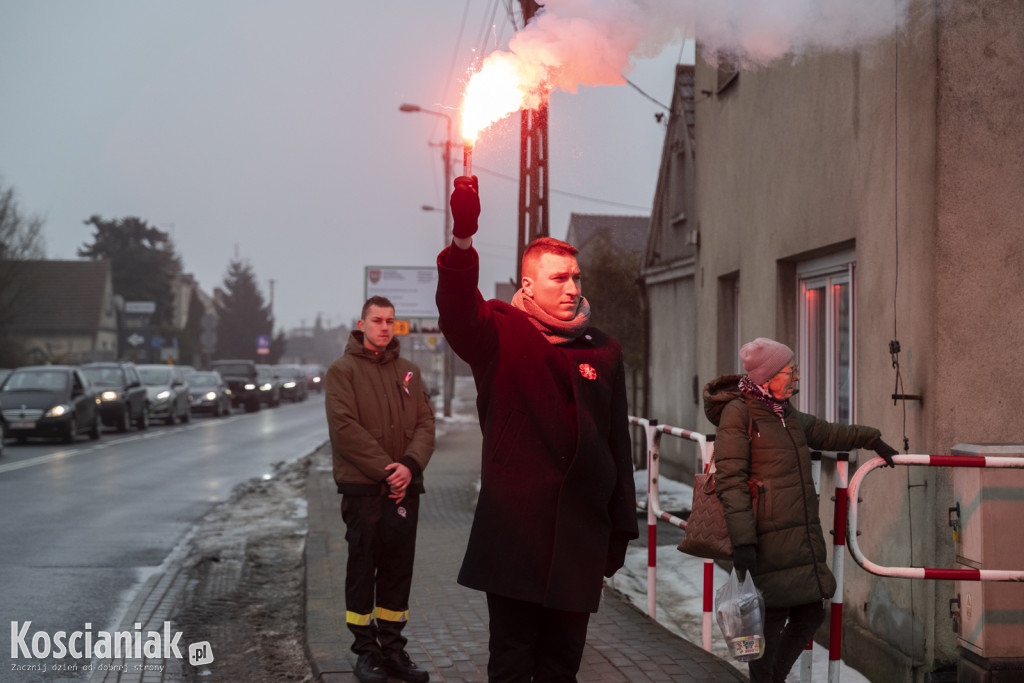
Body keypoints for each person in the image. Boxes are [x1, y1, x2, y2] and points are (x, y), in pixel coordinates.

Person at [436, 176, 639, 682]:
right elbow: (457, 311)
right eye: (558, 279)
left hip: (579, 540)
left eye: (576, 278)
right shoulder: (500, 333)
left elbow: (618, 445)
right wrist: (464, 236)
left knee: (561, 668)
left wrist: (621, 529)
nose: (572, 288)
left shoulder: (603, 350)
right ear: (528, 285)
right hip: (515, 537)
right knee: (510, 663)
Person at [703, 337, 899, 683]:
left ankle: (772, 677)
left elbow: (826, 433)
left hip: (796, 532)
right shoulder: (741, 413)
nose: (796, 379)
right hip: (765, 534)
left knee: (809, 611)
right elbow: (731, 481)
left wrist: (872, 439)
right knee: (772, 618)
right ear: (768, 376)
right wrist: (744, 542)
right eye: (790, 372)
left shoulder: (784, 414)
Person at [325, 296, 435, 683]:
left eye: (390, 321)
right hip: (364, 489)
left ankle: (393, 650)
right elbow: (344, 430)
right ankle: (366, 653)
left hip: (405, 488)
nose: (385, 327)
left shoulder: (409, 372)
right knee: (362, 567)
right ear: (362, 324)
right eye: (377, 320)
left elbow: (425, 424)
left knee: (397, 570)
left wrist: (410, 466)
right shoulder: (342, 371)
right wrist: (388, 472)